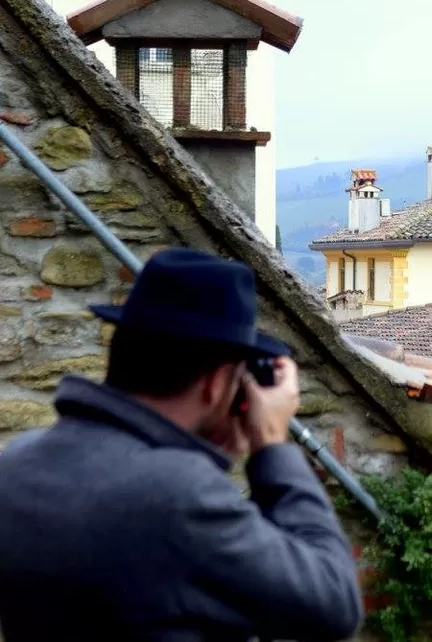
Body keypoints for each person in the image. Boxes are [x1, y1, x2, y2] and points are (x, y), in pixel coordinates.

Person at [0, 248, 363, 641]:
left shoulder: (18, 462)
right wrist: (270, 445)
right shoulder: (176, 494)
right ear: (214, 384)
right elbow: (333, 603)